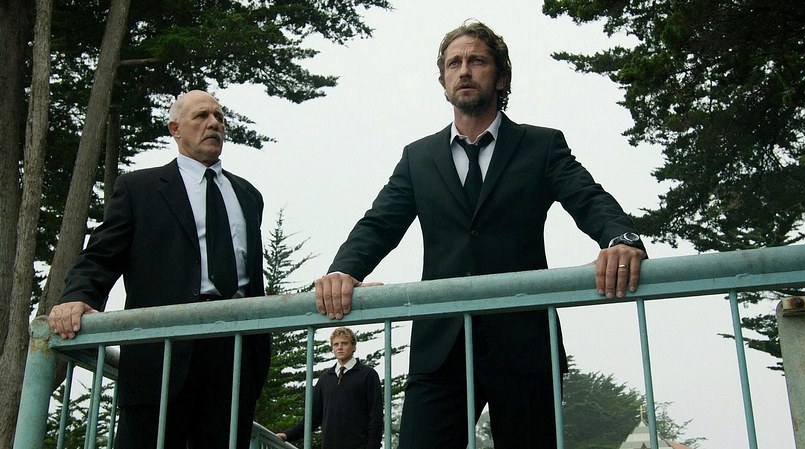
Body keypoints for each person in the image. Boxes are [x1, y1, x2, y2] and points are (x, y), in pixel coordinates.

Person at [314, 20, 648, 449]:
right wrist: (343, 270)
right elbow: (379, 223)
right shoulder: (418, 158)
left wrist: (621, 239)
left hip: (524, 345)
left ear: (501, 76)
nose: (465, 71)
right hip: (440, 349)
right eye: (454, 63)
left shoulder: (542, 146)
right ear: (443, 81)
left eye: (477, 61)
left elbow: (588, 197)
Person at [48, 90, 271, 449]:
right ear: (175, 128)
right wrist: (78, 296)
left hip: (235, 355)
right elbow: (102, 255)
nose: (214, 123)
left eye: (219, 116)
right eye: (201, 116)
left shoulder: (248, 195)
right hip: (161, 354)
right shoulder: (140, 188)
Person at [278, 327, 384, 449]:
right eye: (336, 344)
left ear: (354, 346)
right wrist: (287, 435)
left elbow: (376, 416)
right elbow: (313, 418)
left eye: (344, 343)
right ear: (332, 348)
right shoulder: (325, 378)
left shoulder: (368, 375)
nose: (340, 347)